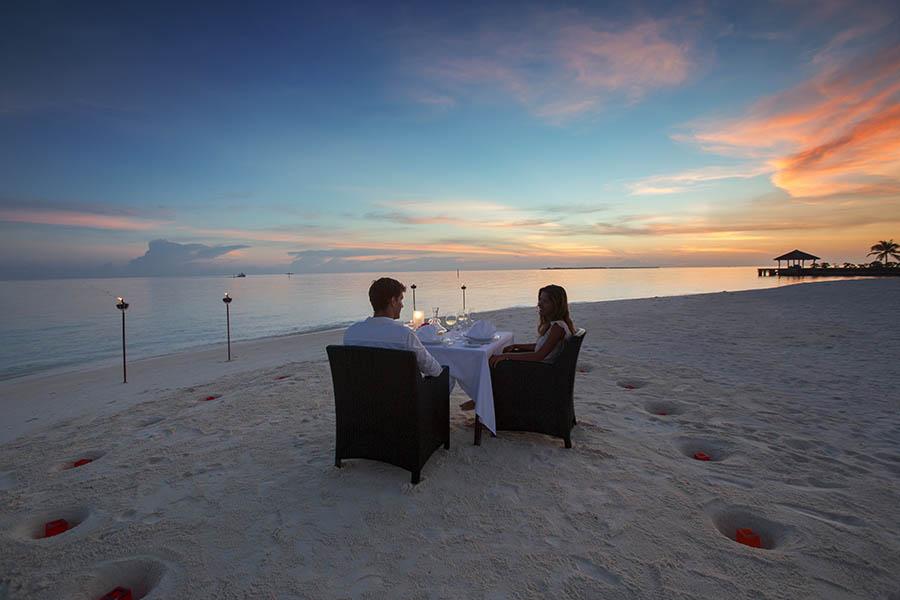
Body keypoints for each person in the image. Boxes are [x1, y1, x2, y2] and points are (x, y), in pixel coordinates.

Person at [343, 277, 443, 377]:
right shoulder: (404, 335)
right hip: (400, 392)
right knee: (444, 374)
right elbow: (433, 369)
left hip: (360, 391)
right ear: (393, 301)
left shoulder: (351, 333)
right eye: (400, 299)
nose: (402, 305)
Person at [488, 284, 576, 369]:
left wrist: (505, 356)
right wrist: (516, 346)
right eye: (540, 300)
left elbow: (539, 356)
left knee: (497, 363)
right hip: (542, 365)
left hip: (542, 370)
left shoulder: (558, 327)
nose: (539, 304)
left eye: (545, 301)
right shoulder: (556, 325)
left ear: (556, 305)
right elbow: (541, 347)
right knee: (505, 355)